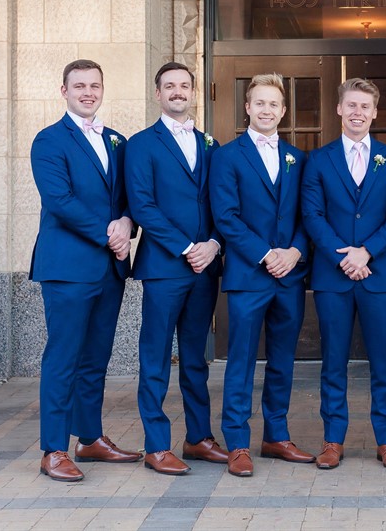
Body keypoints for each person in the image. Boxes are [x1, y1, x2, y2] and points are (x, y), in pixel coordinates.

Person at [30, 59, 141, 482]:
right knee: (63, 358)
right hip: (68, 267)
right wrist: (108, 233)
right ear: (64, 91)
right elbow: (60, 200)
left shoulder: (117, 140)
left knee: (96, 359)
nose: (88, 92)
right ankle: (53, 449)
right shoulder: (49, 141)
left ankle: (90, 439)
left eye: (95, 85)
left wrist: (128, 223)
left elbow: (132, 194)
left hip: (109, 269)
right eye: (80, 86)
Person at [301, 77, 386, 471]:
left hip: (379, 274)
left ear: (375, 112)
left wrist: (367, 252)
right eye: (351, 105)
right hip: (333, 277)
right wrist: (341, 256)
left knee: (383, 361)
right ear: (339, 109)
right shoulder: (318, 159)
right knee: (333, 361)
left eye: (365, 106)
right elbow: (311, 215)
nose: (358, 113)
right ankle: (333, 440)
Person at [208, 73, 314, 477]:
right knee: (241, 360)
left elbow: (309, 215)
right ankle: (237, 442)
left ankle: (276, 435)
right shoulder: (228, 156)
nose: (267, 109)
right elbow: (226, 217)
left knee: (283, 360)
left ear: (283, 112)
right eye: (260, 103)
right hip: (249, 275)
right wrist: (266, 254)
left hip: (289, 275)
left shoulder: (297, 157)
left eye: (274, 104)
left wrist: (295, 251)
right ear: (247, 108)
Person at [124, 61, 226, 476]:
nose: (178, 92)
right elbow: (142, 204)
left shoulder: (210, 144)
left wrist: (214, 244)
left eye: (185, 85)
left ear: (193, 92)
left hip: (206, 267)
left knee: (196, 359)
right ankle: (156, 445)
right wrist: (187, 248)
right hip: (165, 266)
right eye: (170, 86)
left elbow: (223, 201)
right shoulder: (140, 144)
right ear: (158, 94)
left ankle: (198, 437)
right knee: (155, 358)